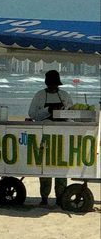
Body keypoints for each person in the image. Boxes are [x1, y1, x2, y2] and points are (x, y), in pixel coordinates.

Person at [28, 69, 73, 206]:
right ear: (47, 84)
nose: (54, 88)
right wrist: (48, 110)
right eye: (51, 85)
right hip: (45, 134)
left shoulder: (64, 95)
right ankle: (44, 197)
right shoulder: (39, 96)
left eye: (55, 86)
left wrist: (61, 112)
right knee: (46, 167)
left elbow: (71, 114)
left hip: (61, 134)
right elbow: (32, 115)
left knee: (61, 167)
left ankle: (60, 197)